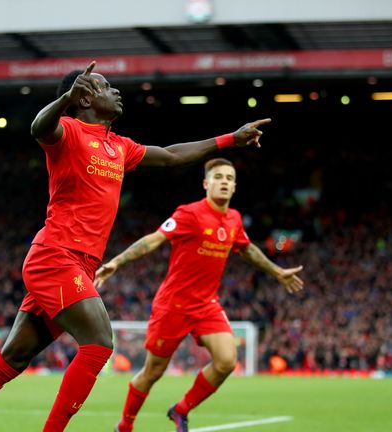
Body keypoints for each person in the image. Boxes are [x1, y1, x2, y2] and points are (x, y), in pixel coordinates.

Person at [0, 61, 271, 432]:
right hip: (56, 256)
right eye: (105, 87)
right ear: (83, 97)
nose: (116, 91)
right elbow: (39, 127)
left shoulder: (119, 146)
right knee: (99, 342)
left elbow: (171, 155)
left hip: (79, 264)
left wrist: (232, 138)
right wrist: (65, 98)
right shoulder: (66, 131)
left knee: (14, 356)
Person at [94, 158, 304, 432]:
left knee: (227, 361)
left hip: (206, 305)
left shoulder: (234, 219)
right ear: (206, 184)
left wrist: (277, 272)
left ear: (235, 186)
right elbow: (154, 239)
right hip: (173, 305)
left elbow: (246, 248)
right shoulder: (189, 214)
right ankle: (125, 425)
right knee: (153, 372)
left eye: (230, 178)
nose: (225, 182)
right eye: (219, 177)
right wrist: (117, 262)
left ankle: (181, 410)